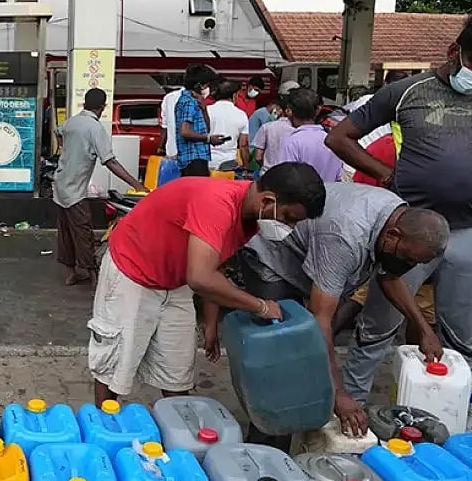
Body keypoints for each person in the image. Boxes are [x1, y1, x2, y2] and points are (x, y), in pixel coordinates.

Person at [326, 10, 472, 406]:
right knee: (377, 327)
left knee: (462, 335)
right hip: (408, 232)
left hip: (471, 230)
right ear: (454, 51)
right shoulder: (406, 92)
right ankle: (351, 406)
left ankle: (450, 410)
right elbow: (340, 137)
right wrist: (386, 176)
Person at [229, 182, 449, 447]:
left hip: (310, 257)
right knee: (282, 353)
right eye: (408, 258)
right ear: (393, 234)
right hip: (273, 257)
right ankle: (266, 447)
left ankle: (300, 430)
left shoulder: (395, 221)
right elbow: (320, 320)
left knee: (305, 355)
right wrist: (339, 393)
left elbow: (390, 275)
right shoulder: (345, 237)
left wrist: (424, 329)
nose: (409, 265)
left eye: (417, 263)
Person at [87, 163, 327, 403]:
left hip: (175, 280)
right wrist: (261, 306)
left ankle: (179, 428)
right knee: (115, 368)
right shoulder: (218, 204)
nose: (289, 227)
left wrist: (211, 322)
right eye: (288, 218)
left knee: (176, 374)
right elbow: (200, 277)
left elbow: (215, 263)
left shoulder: (250, 215)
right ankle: (101, 427)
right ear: (266, 201)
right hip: (132, 271)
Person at [53, 88, 148, 286]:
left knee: (65, 231)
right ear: (102, 107)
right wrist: (136, 183)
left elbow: (58, 133)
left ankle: (71, 273)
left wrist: (70, 151)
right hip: (75, 188)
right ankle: (92, 275)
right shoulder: (94, 128)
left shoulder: (72, 121)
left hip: (61, 182)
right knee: (82, 231)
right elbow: (110, 161)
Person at [274, 88, 343, 183]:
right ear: (317, 111)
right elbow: (339, 176)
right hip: (331, 194)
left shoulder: (291, 143)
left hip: (300, 197)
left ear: (290, 111)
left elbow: (284, 179)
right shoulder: (332, 141)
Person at [174, 64, 226, 176]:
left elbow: (206, 129)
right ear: (198, 85)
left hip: (200, 156)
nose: (208, 88)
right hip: (193, 158)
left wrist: (204, 109)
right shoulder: (188, 102)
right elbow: (185, 131)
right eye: (206, 84)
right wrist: (208, 139)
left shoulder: (197, 102)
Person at [207, 79, 249, 171]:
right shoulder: (241, 114)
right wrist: (246, 165)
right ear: (234, 96)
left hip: (207, 160)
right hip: (228, 163)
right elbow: (243, 145)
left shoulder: (207, 111)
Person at [158, 85, 183, 158]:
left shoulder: (168, 98)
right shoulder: (198, 99)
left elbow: (165, 126)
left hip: (172, 151)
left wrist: (161, 147)